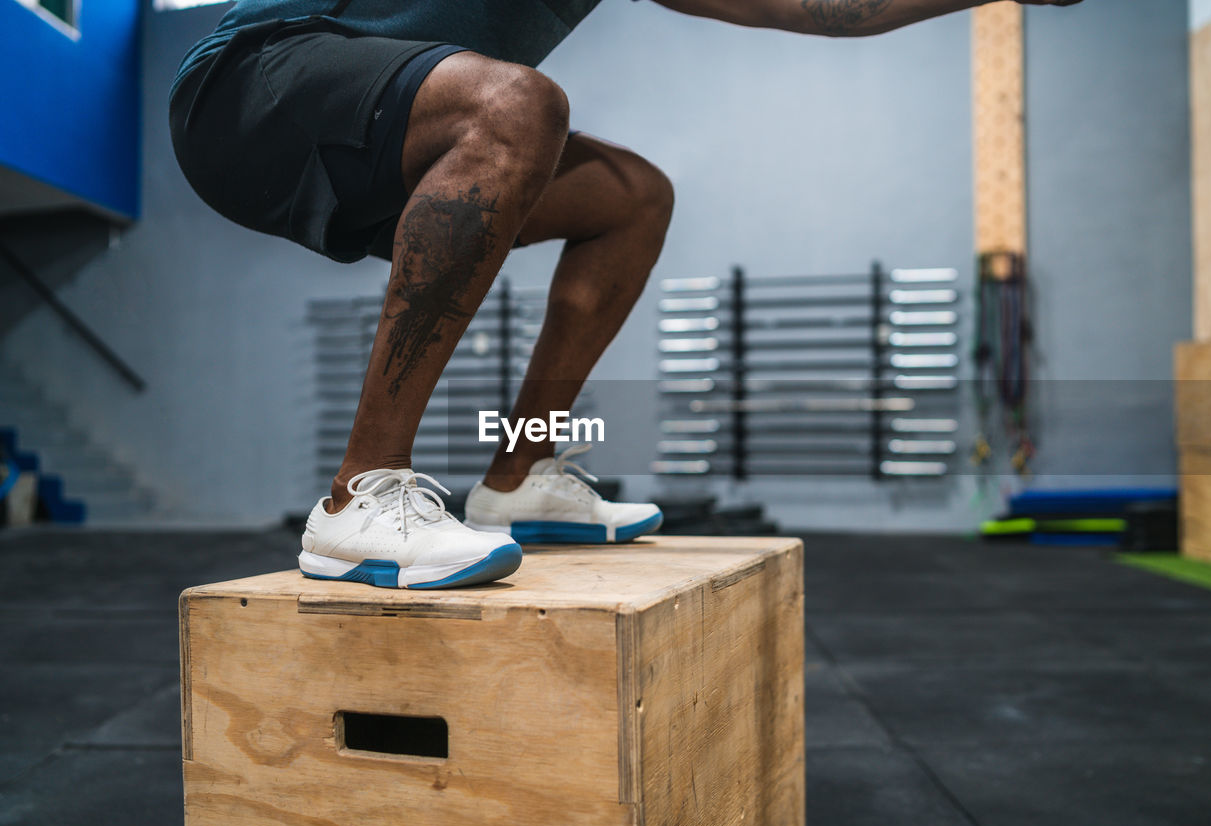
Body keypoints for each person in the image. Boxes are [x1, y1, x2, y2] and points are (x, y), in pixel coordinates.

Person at [169, 0, 1082, 589]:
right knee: (520, 105)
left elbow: (829, 9)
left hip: (384, 133)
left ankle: (520, 474)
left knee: (632, 198)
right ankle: (358, 499)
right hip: (247, 87)